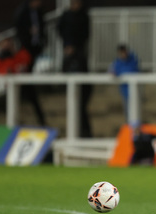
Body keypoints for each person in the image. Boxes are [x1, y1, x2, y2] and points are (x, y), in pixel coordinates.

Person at [58, 0, 92, 137]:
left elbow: (86, 34)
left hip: (82, 88)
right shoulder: (66, 16)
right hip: (71, 88)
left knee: (81, 106)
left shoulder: (84, 16)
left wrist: (76, 47)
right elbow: (60, 29)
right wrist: (68, 44)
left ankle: (85, 132)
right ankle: (79, 132)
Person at [14, 0, 46, 126]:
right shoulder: (22, 12)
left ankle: (36, 115)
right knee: (26, 85)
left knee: (28, 86)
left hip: (37, 50)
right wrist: (28, 33)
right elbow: (19, 29)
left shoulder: (39, 12)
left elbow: (43, 27)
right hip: (27, 51)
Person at [109, 44, 139, 121]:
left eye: (124, 52)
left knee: (136, 109)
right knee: (127, 109)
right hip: (124, 90)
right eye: (121, 53)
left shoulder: (133, 60)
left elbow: (134, 71)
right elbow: (112, 71)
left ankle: (135, 126)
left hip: (136, 90)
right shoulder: (117, 63)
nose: (123, 54)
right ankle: (129, 125)